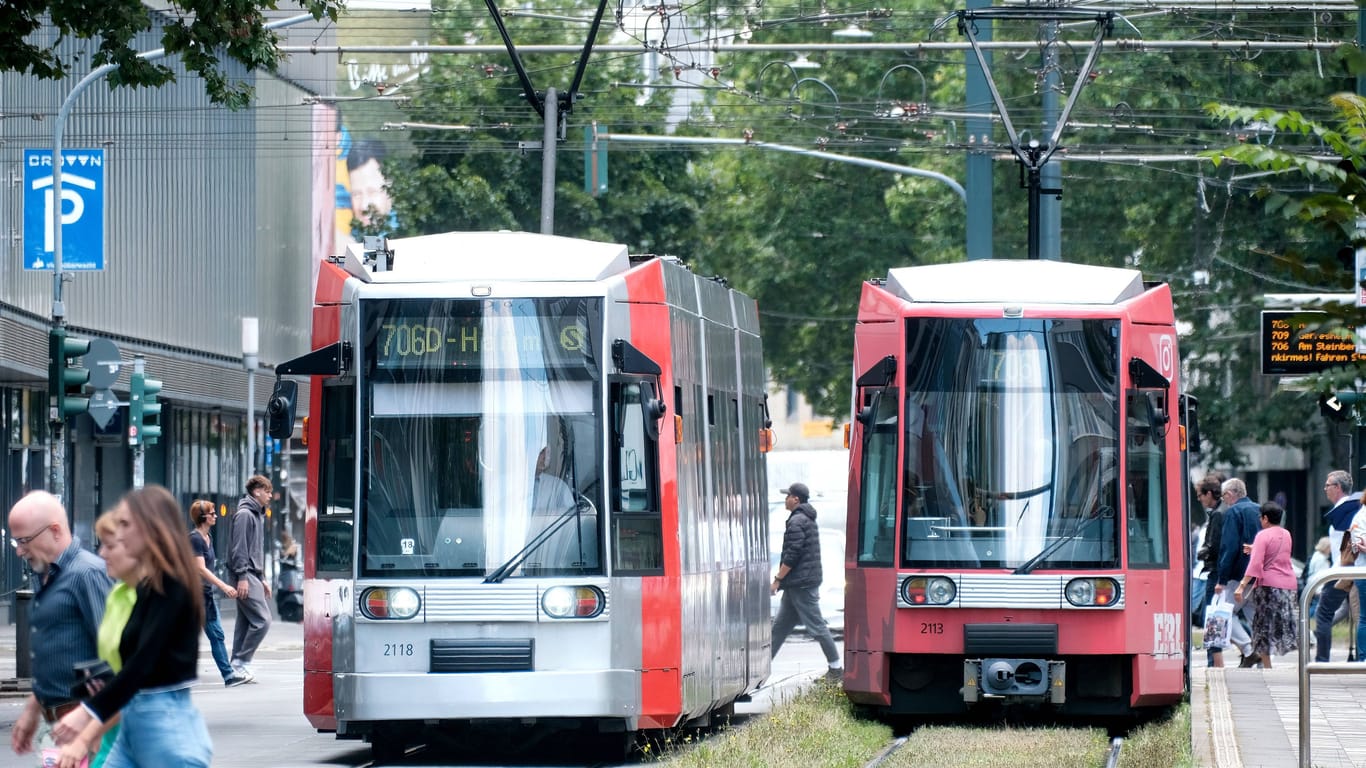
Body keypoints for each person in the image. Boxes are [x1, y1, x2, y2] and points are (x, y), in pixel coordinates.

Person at [51, 485, 213, 768]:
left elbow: (141, 665)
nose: (120, 532)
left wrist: (87, 714)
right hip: (137, 722)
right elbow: (131, 668)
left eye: (126, 524)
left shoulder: (172, 585)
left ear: (151, 528)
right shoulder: (149, 587)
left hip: (165, 728)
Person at [7, 491, 113, 766]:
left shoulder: (87, 574)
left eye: (24, 540)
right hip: (58, 721)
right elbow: (55, 654)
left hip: (83, 722)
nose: (19, 550)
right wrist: (33, 709)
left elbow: (115, 659)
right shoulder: (46, 574)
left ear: (54, 530)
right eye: (15, 541)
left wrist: (93, 729)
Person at [69, 511, 138, 768]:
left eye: (110, 546)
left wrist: (87, 732)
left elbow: (139, 686)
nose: (101, 554)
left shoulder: (152, 603)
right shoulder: (117, 593)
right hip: (110, 725)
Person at [770, 482, 842, 680]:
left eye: (788, 496)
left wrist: (777, 579)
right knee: (779, 628)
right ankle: (763, 668)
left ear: (796, 499)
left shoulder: (797, 522)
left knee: (817, 627)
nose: (785, 499)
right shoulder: (804, 519)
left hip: (801, 584)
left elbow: (792, 555)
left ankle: (836, 670)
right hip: (798, 584)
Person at [1233, 502, 1298, 669]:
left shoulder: (1262, 535)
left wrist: (1241, 585)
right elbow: (1276, 550)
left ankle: (1268, 666)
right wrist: (1255, 548)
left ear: (1265, 518)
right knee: (1282, 623)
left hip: (1268, 586)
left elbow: (1255, 564)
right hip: (1288, 585)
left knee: (1262, 626)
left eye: (1261, 517)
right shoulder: (1286, 534)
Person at [189, 500, 244, 687]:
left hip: (205, 595)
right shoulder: (195, 539)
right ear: (203, 517)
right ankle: (228, 675)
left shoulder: (207, 537)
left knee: (216, 635)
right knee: (207, 635)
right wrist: (224, 586)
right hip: (194, 596)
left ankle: (228, 675)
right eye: (212, 513)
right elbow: (201, 569)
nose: (215, 516)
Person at [228, 475, 273, 683]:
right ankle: (241, 661)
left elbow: (255, 549)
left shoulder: (256, 514)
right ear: (257, 491)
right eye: (268, 491)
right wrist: (243, 576)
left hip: (252, 574)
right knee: (263, 620)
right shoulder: (245, 514)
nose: (270, 496)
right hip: (245, 574)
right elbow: (239, 549)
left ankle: (236, 666)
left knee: (246, 621)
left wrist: (262, 577)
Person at [1214, 478, 1261, 668]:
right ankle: (1263, 657)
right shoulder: (1260, 510)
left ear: (1230, 494)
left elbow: (1229, 546)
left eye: (1224, 496)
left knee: (1221, 613)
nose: (1224, 500)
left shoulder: (1234, 512)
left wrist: (1222, 578)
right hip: (1259, 572)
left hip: (1238, 574)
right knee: (1255, 615)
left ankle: (1249, 650)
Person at [1313, 470, 1360, 662]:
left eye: (1328, 485)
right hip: (1344, 569)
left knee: (1323, 613)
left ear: (1338, 487)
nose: (1325, 489)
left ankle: (1322, 660)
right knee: (1356, 614)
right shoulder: (1347, 511)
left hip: (1342, 570)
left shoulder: (1346, 512)